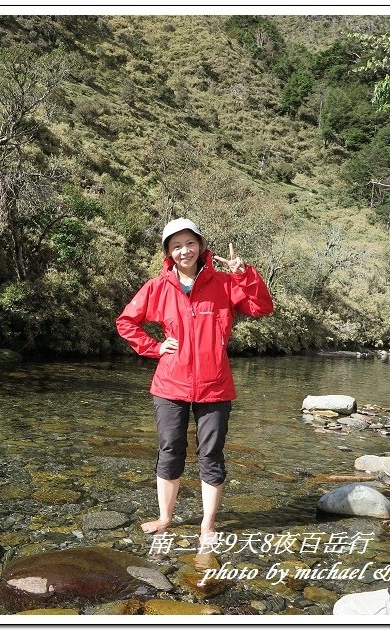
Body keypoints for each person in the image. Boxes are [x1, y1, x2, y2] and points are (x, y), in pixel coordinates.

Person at [115, 217, 274, 548]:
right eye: (175, 246)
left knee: (211, 454)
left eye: (189, 243)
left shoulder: (226, 284)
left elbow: (262, 308)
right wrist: (155, 347)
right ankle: (164, 518)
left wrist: (244, 274)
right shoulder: (157, 287)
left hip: (214, 385)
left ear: (201, 246)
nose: (183, 250)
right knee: (170, 449)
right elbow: (126, 322)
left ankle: (207, 524)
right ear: (168, 253)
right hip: (170, 383)